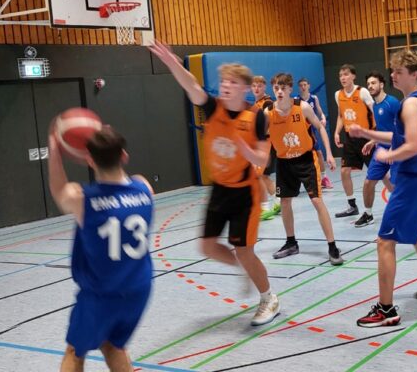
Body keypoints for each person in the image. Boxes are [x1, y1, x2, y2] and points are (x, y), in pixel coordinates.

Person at [147, 41, 280, 326]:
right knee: (207, 247)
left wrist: (245, 151)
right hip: (220, 189)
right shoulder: (212, 108)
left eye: (232, 82)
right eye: (222, 81)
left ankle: (269, 298)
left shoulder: (256, 117)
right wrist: (173, 64)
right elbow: (192, 86)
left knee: (245, 250)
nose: (225, 86)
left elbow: (264, 159)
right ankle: (244, 268)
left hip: (245, 193)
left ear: (244, 87)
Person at [350, 49, 417, 328]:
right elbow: (400, 136)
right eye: (392, 71)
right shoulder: (416, 100)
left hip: (413, 179)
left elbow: (413, 145)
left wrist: (388, 156)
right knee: (415, 232)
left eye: (398, 72)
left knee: (384, 241)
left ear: (414, 74)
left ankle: (385, 310)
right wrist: (369, 134)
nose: (393, 75)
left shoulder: (410, 105)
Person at [48, 124, 154, 372]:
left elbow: (58, 190)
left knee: (75, 351)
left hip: (102, 294)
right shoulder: (144, 187)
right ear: (124, 156)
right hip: (139, 290)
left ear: (89, 161)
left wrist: (55, 149)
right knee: (113, 346)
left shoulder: (83, 199)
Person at [267, 73, 343, 265]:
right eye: (276, 87)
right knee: (285, 202)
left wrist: (328, 153)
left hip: (306, 160)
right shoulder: (268, 113)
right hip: (284, 162)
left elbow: (320, 127)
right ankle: (291, 242)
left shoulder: (302, 107)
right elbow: (260, 137)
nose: (279, 91)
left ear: (290, 89)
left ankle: (332, 246)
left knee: (317, 200)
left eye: (283, 87)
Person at [353, 72, 417, 228]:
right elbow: (383, 128)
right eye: (368, 84)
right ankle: (368, 213)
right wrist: (372, 140)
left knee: (399, 187)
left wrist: (393, 149)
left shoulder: (393, 103)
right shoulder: (375, 106)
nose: (370, 86)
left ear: (381, 85)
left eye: (374, 83)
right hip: (382, 148)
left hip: (396, 149)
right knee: (368, 182)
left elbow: (401, 130)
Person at [334, 64, 375, 218]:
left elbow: (374, 112)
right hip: (350, 138)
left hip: (366, 138)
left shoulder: (362, 92)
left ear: (353, 76)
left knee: (380, 174)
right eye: (340, 75)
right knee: (344, 171)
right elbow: (340, 115)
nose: (343, 77)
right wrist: (337, 132)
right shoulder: (338, 95)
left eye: (346, 74)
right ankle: (352, 205)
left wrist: (374, 136)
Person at [296, 77, 333, 189]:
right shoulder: (296, 100)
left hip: (312, 130)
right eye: (301, 85)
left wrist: (323, 118)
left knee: (319, 153)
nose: (303, 87)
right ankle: (299, 180)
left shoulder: (313, 98)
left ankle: (324, 178)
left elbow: (320, 112)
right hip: (301, 131)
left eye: (305, 85)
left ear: (309, 86)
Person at [252, 75, 281, 220]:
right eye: (254, 86)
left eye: (259, 86)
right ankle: (278, 200)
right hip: (265, 143)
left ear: (264, 87)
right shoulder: (256, 103)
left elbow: (267, 126)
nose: (256, 88)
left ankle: (264, 209)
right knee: (263, 176)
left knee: (259, 176)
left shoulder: (267, 103)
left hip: (267, 143)